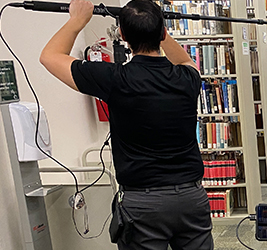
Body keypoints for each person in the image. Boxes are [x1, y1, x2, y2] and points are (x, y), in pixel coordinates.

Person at [39, 0, 212, 249]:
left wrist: (77, 20)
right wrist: (156, 27)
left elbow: (50, 56)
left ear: (122, 35)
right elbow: (183, 59)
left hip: (143, 204)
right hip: (190, 198)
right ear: (163, 33)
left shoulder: (114, 78)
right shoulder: (187, 78)